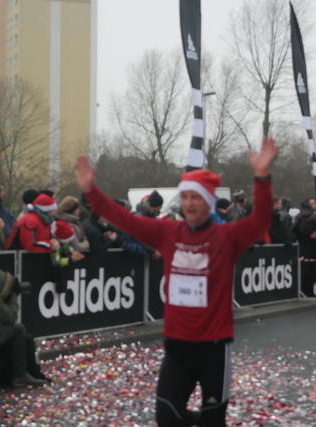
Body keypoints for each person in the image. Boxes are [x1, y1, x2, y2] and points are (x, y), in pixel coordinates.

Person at [75, 138, 277, 426]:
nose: (190, 203)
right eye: (185, 197)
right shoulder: (167, 233)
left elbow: (260, 222)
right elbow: (122, 218)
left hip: (214, 348)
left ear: (208, 201)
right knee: (167, 418)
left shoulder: (226, 237)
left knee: (213, 421)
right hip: (177, 347)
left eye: (196, 197)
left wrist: (262, 178)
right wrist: (90, 191)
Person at [291, 200, 316, 297]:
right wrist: (315, 233)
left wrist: (299, 236)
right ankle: (310, 291)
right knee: (312, 268)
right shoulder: (314, 216)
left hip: (302, 245)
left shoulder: (299, 216)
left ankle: (302, 290)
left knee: (303, 269)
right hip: (312, 245)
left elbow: (293, 229)